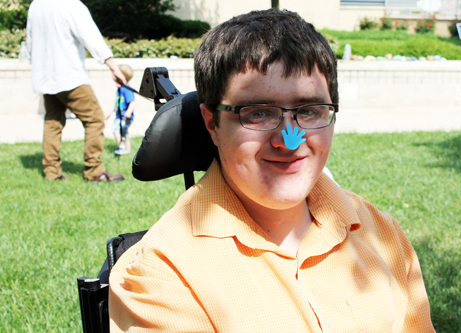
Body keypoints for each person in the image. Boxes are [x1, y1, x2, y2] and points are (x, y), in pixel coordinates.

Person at [109, 9, 435, 332]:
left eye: (308, 110)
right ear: (212, 123)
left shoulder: (381, 233)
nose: (289, 142)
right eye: (258, 113)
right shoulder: (161, 274)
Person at [26, 0, 125, 182]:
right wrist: (113, 67)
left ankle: (51, 172)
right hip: (69, 76)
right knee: (95, 119)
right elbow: (91, 37)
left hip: (46, 75)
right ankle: (94, 171)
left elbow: (30, 40)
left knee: (53, 122)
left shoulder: (36, 5)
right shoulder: (71, 5)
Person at [105, 64, 136, 156]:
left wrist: (129, 112)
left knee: (116, 131)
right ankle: (127, 150)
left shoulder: (127, 90)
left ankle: (121, 147)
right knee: (124, 133)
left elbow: (132, 102)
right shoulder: (119, 89)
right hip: (119, 116)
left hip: (125, 117)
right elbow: (116, 103)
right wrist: (109, 113)